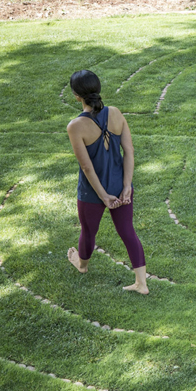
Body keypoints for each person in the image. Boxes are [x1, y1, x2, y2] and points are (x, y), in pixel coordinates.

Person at [66, 70, 149, 294]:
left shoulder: (75, 126)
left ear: (76, 96)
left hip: (92, 193)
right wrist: (126, 187)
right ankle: (142, 283)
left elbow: (87, 167)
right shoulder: (115, 113)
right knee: (127, 231)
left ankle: (82, 266)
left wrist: (103, 196)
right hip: (119, 186)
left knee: (89, 231)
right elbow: (129, 152)